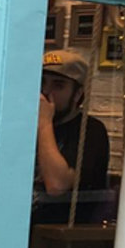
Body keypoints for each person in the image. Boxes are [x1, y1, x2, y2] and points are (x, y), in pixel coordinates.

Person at [32, 47, 110, 227]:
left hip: (58, 232)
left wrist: (44, 124)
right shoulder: (25, 126)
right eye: (42, 82)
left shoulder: (90, 131)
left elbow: (56, 185)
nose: (45, 92)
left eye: (58, 85)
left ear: (78, 94)